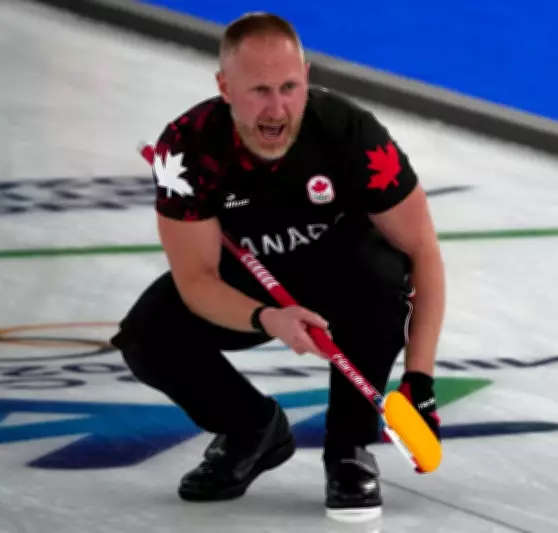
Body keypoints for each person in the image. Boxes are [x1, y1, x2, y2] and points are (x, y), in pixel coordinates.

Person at [108, 10, 445, 521]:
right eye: (258, 90)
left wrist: (419, 380)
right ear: (224, 87)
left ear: (307, 76)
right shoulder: (188, 150)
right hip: (244, 285)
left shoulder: (349, 133)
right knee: (147, 337)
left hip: (343, 273)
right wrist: (267, 317)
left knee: (383, 276)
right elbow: (196, 280)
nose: (277, 107)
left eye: (289, 87)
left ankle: (349, 448)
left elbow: (423, 251)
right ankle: (251, 428)